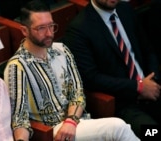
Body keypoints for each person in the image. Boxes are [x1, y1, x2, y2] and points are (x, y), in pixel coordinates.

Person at [4, 0, 139, 141]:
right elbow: (19, 118)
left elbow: (78, 93)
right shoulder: (17, 66)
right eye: (41, 28)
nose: (49, 33)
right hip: (51, 131)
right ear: (24, 30)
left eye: (51, 26)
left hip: (76, 122)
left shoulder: (62, 50)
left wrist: (71, 121)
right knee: (118, 127)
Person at [63, 0, 161, 138]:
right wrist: (137, 87)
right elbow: (91, 78)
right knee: (153, 134)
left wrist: (153, 79)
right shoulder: (79, 29)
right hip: (123, 104)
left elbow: (148, 49)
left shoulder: (125, 9)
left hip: (152, 88)